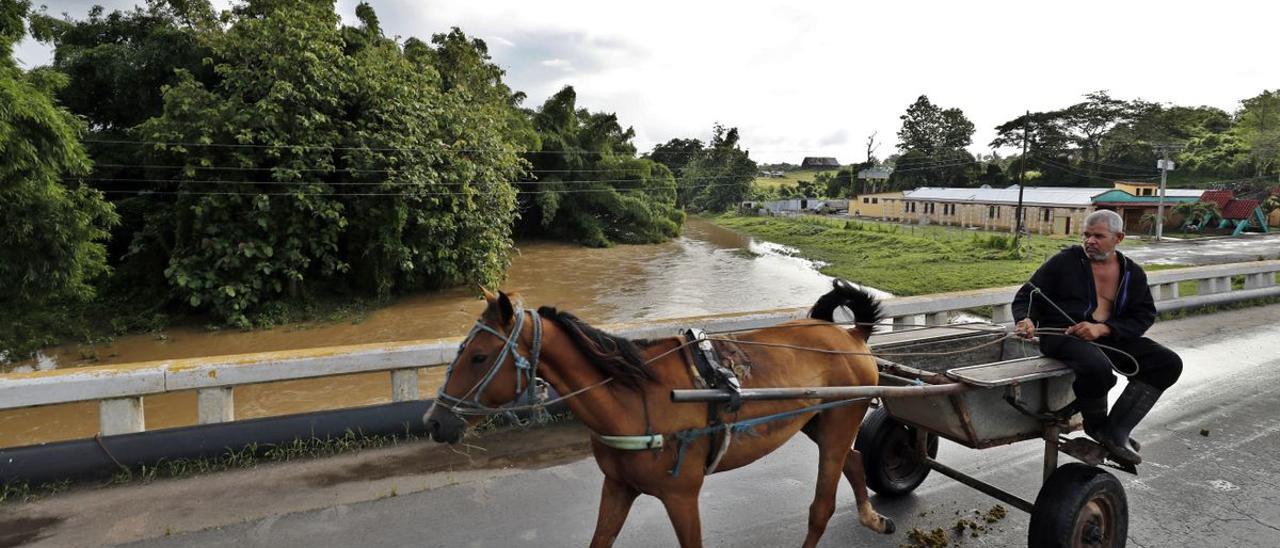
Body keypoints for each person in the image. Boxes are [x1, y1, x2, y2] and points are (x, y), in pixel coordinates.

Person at [1011, 210, 1182, 465]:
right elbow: (1029, 294)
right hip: (1064, 334)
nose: (1090, 241)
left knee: (1168, 363)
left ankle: (1117, 430)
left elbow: (1143, 315)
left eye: (1098, 236)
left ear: (1119, 238)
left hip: (1109, 336)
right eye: (1087, 235)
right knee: (1097, 367)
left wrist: (1104, 329)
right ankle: (1097, 425)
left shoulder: (1132, 273)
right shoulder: (1065, 261)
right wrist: (1025, 319)